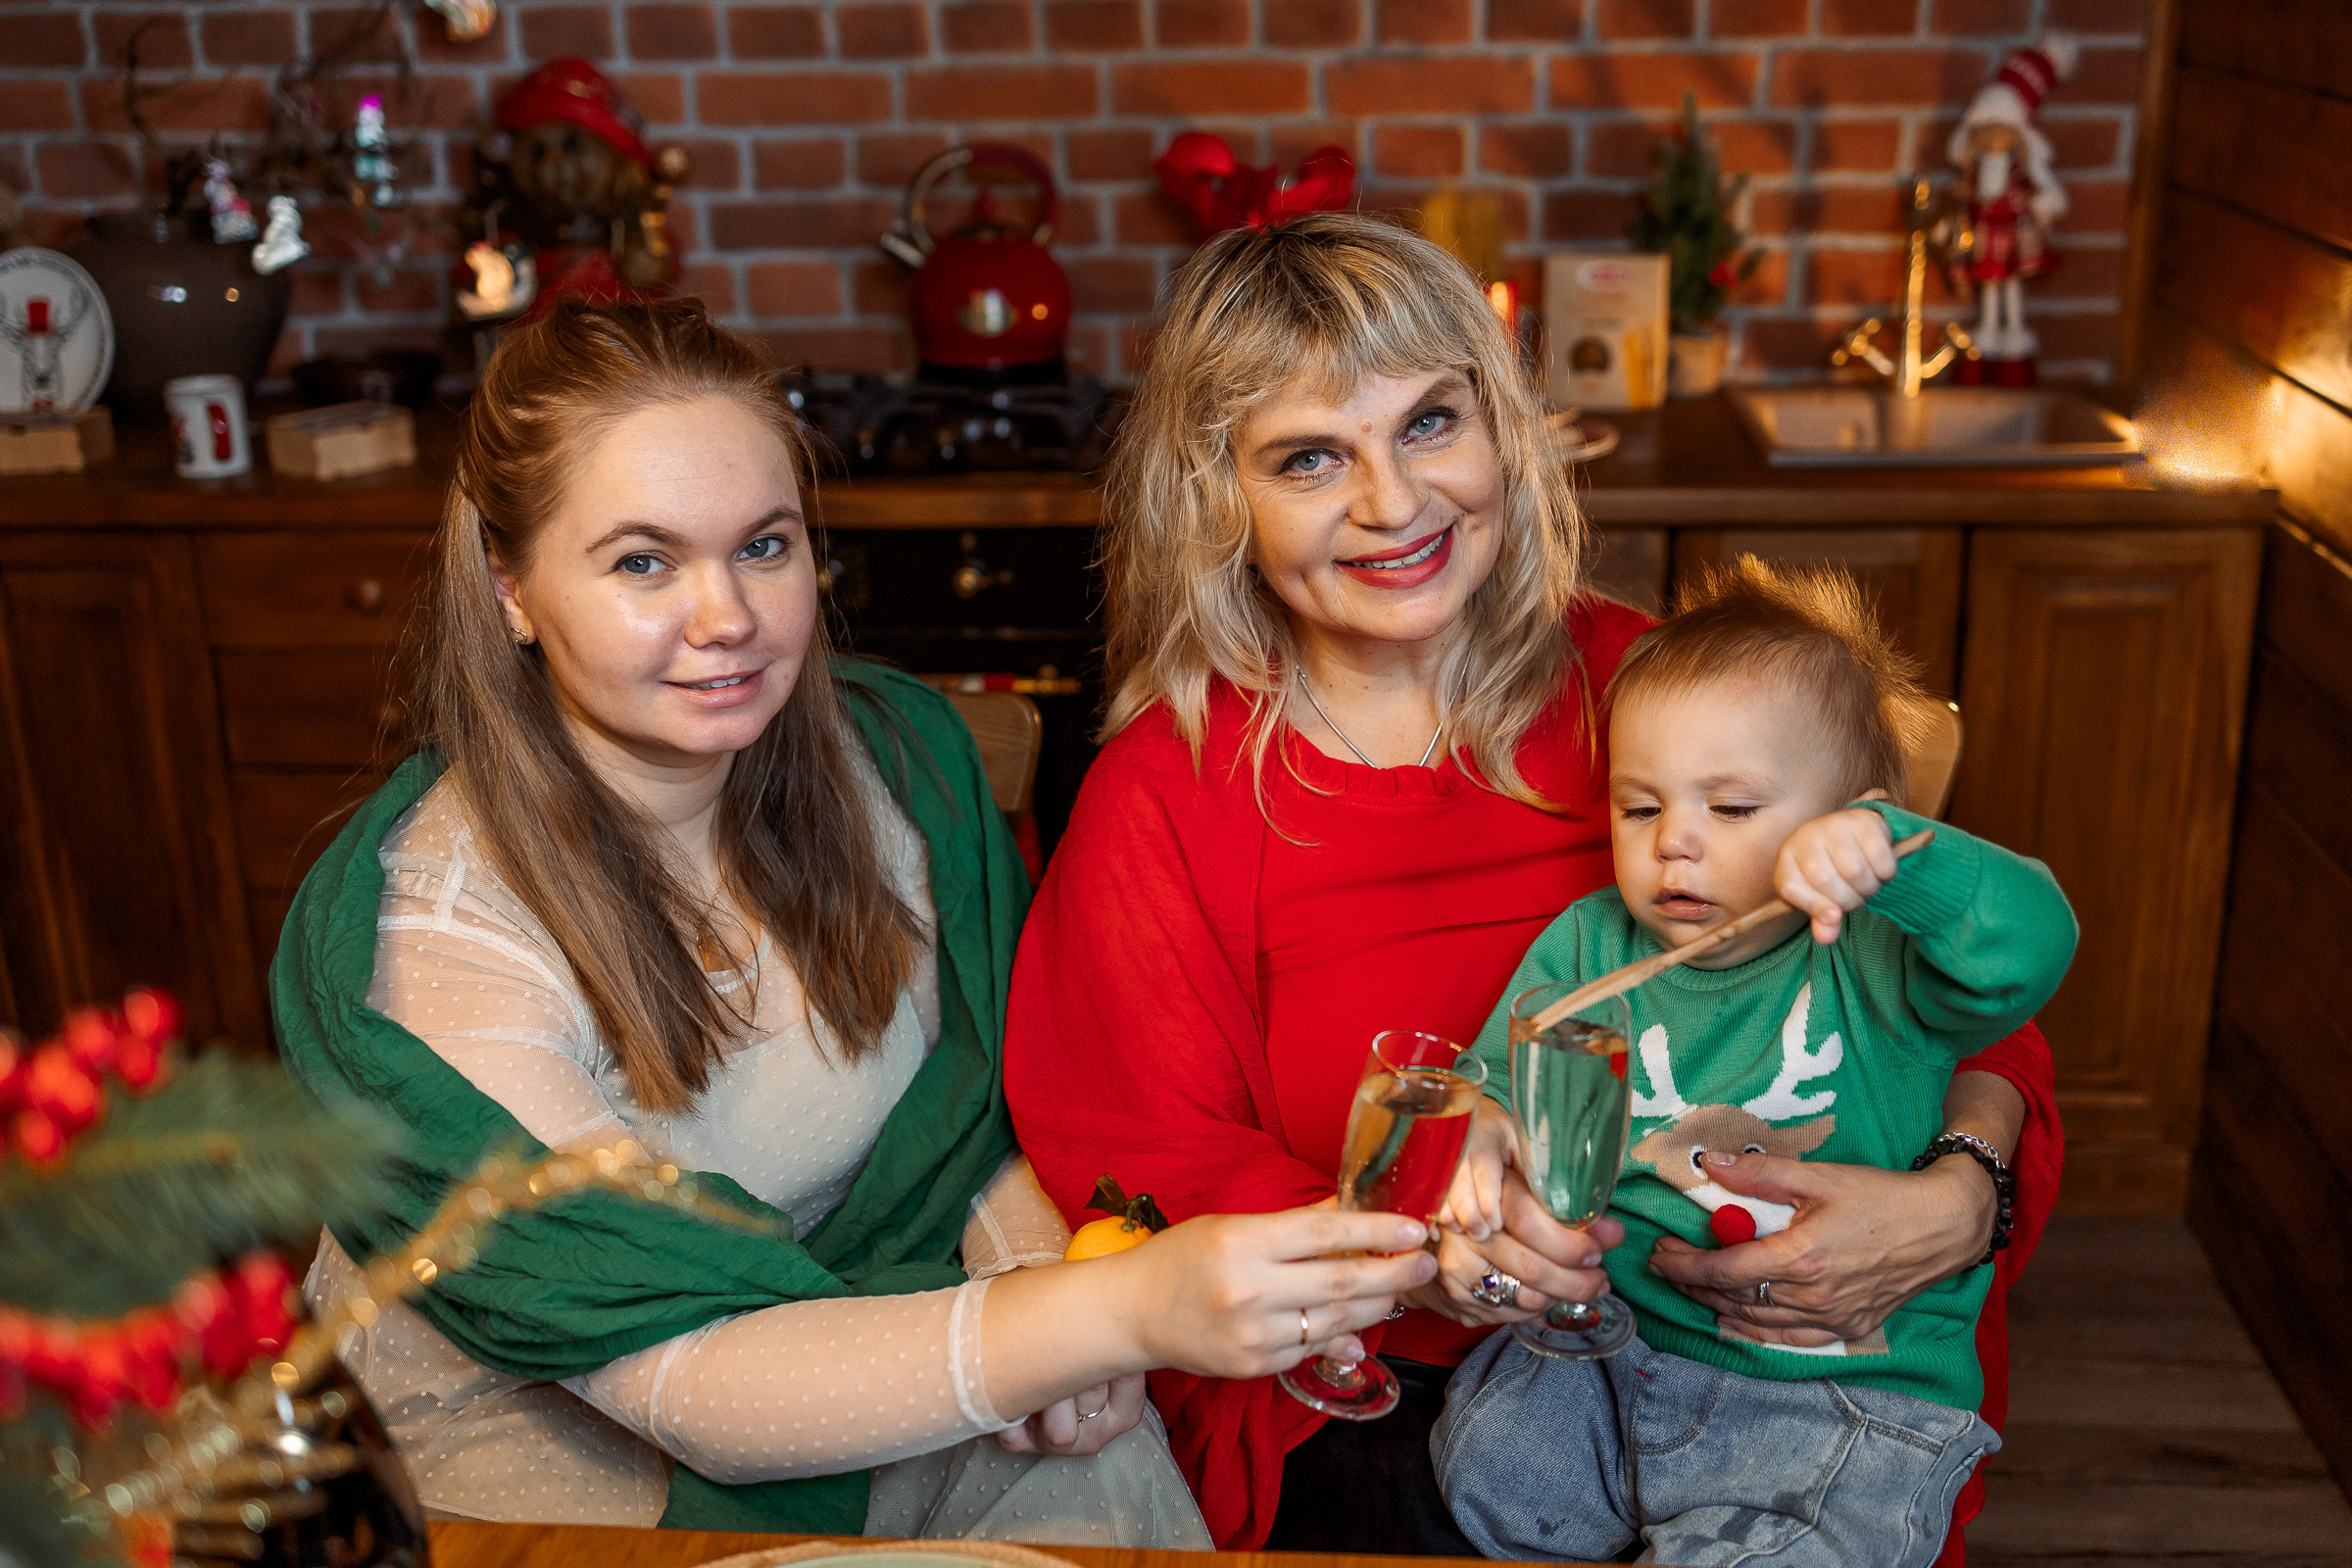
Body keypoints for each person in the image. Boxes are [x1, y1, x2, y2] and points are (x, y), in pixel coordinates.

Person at [271, 298, 1440, 1540]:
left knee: (1093, 1460)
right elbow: (684, 1374)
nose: (727, 617)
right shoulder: (439, 935)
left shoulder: (892, 763)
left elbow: (974, 1126)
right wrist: (1114, 1316)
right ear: (512, 591)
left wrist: (1053, 1302)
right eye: (644, 562)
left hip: (854, 1319)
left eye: (764, 546)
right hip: (544, 1463)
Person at [1001, 212, 2062, 1559]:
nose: (1395, 503)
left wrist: (1962, 1196)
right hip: (1393, 1382)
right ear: (1222, 499)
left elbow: (1952, 994)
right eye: (1313, 456)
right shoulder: (1174, 787)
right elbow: (1150, 1154)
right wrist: (1431, 1237)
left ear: (1501, 426)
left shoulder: (1661, 690)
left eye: (1431, 424)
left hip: (1790, 1371)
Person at [1435, 559, 2078, 1566]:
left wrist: (1909, 860)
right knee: (1488, 1466)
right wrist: (1480, 1123)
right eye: (1640, 809)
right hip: (1625, 1350)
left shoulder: (1882, 956)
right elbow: (1495, 1081)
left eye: (1730, 809)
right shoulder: (1589, 943)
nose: (1675, 845)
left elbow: (2033, 944)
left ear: (1851, 821)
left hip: (1840, 1401)